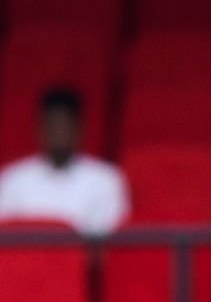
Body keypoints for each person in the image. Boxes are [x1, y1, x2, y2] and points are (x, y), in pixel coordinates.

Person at [0, 87, 130, 235]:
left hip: (83, 258)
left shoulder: (106, 179)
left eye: (64, 125)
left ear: (80, 129)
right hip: (24, 258)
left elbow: (108, 241)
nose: (58, 132)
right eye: (52, 125)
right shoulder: (13, 179)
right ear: (38, 130)